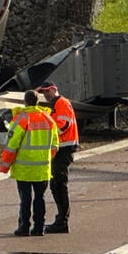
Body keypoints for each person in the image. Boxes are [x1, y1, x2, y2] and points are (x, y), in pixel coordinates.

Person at [0, 89, 58, 237]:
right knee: (40, 198)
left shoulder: (21, 119)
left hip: (24, 169)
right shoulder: (49, 119)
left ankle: (24, 227)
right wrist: (45, 159)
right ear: (38, 102)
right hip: (42, 168)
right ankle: (39, 227)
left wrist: (5, 166)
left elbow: (12, 145)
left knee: (25, 199)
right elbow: (55, 146)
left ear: (25, 102)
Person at [38, 81, 79, 233]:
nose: (45, 94)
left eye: (47, 91)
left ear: (54, 89)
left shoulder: (61, 103)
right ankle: (61, 220)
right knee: (57, 185)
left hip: (64, 148)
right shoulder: (56, 104)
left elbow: (63, 125)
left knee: (59, 185)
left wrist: (47, 134)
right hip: (61, 148)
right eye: (44, 92)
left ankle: (62, 221)